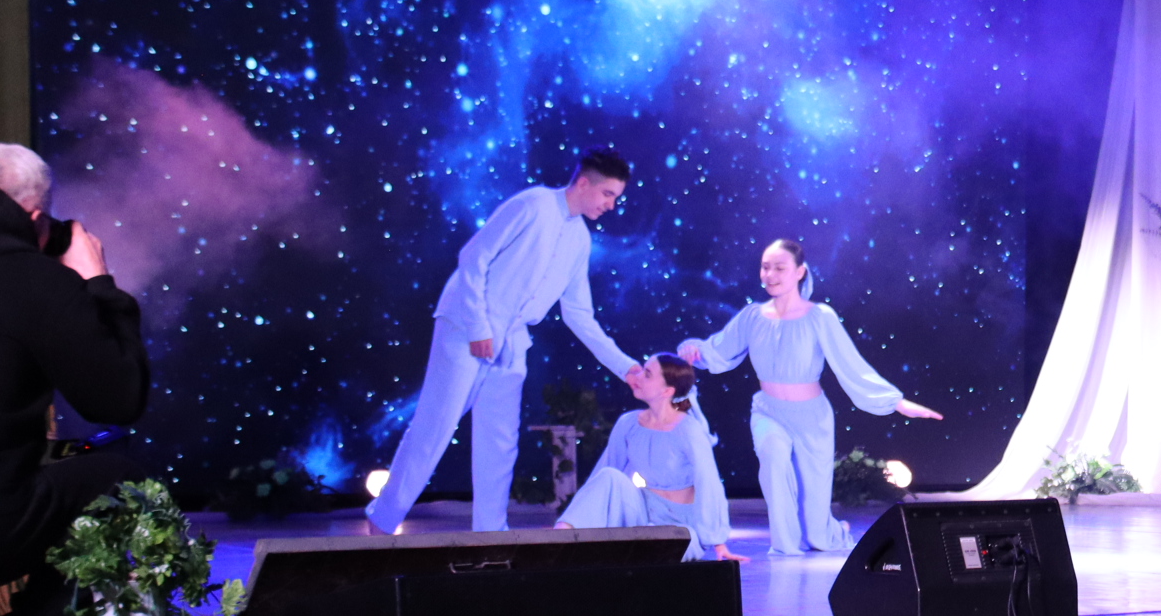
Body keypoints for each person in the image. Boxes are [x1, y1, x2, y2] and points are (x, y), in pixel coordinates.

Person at [0, 143, 148, 616]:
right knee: (124, 480)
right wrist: (97, 285)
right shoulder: (33, 280)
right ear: (36, 219)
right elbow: (118, 400)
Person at [366, 150, 639, 534]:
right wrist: (479, 326)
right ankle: (383, 519)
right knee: (435, 426)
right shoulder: (533, 204)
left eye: (615, 197)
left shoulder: (579, 239)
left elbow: (579, 314)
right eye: (608, 194)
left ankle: (491, 533)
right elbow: (474, 256)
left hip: (511, 340)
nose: (611, 205)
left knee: (500, 442)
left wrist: (625, 366)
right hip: (466, 324)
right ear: (583, 183)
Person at [680, 238, 942, 555]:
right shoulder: (752, 316)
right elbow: (719, 350)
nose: (770, 274)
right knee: (773, 458)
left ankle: (829, 531)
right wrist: (695, 350)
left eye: (779, 268)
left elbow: (850, 364)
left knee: (815, 519)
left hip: (811, 416)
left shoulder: (819, 316)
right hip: (767, 411)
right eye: (765, 267)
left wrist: (896, 403)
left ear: (800, 271)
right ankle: (785, 545)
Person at [555, 354, 739, 563]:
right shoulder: (628, 423)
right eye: (642, 370)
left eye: (648, 374)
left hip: (681, 523)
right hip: (642, 511)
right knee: (608, 476)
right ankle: (559, 540)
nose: (638, 377)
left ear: (667, 391)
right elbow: (604, 476)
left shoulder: (688, 429)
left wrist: (718, 542)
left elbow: (709, 483)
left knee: (661, 545)